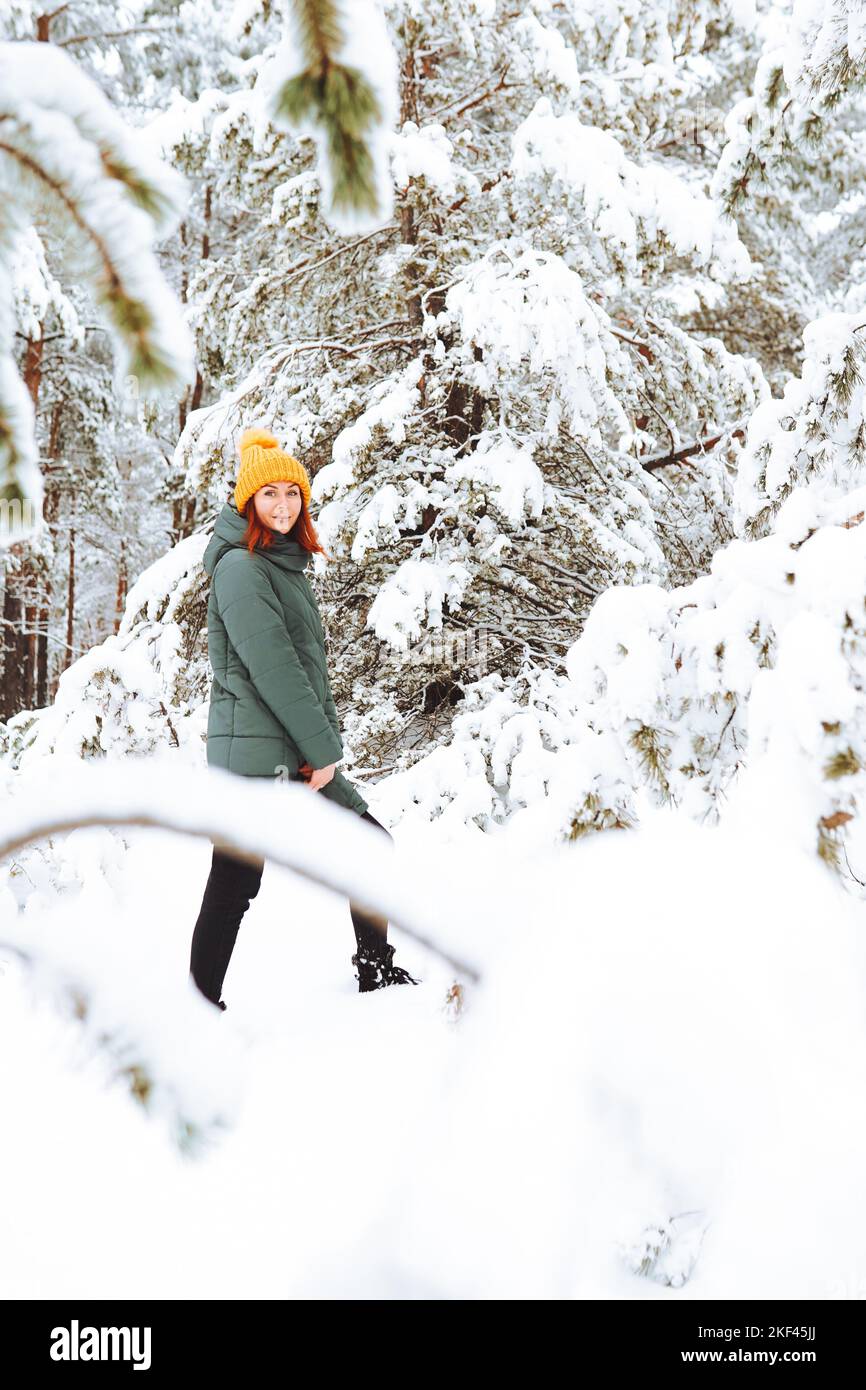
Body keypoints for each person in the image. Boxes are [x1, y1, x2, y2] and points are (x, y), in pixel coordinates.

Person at [189, 425, 419, 1010]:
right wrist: (319, 749)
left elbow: (305, 672)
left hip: (286, 746)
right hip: (263, 754)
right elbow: (276, 669)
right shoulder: (243, 568)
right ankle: (195, 1005)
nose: (284, 505)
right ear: (247, 502)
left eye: (293, 493)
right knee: (235, 884)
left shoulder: (279, 566)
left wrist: (318, 744)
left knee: (364, 847)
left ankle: (374, 968)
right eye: (270, 495)